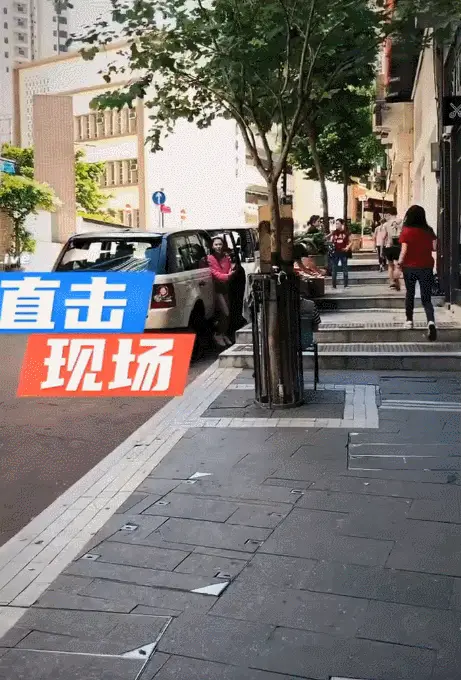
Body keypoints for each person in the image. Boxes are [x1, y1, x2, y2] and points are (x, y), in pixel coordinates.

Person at [397, 205, 438, 340]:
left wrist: (399, 264)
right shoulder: (429, 230)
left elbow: (404, 250)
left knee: (410, 293)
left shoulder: (406, 231)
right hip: (426, 266)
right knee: (426, 297)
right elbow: (434, 247)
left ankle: (409, 321)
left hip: (409, 267)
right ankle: (430, 321)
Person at [207, 236, 236, 348]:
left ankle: (223, 334)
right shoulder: (209, 258)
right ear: (212, 246)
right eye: (216, 245)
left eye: (220, 244)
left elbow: (229, 269)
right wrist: (227, 276)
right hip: (217, 287)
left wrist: (230, 273)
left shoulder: (226, 257)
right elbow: (214, 273)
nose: (218, 247)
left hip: (225, 287)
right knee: (225, 311)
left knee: (226, 313)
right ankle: (218, 334)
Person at [382, 207, 402, 290]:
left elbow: (383, 237)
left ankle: (391, 282)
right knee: (397, 265)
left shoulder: (386, 224)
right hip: (399, 246)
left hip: (389, 246)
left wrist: (381, 249)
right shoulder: (401, 221)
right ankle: (396, 278)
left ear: (389, 214)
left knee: (390, 265)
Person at [329, 218, 351, 288]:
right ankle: (333, 285)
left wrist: (347, 247)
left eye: (338, 223)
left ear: (342, 224)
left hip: (343, 252)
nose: (336, 225)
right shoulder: (334, 232)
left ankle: (346, 285)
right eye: (336, 224)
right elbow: (330, 240)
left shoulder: (346, 232)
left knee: (345, 268)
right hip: (335, 252)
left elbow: (351, 241)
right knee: (334, 269)